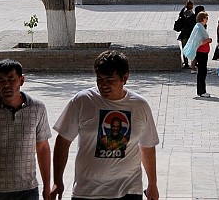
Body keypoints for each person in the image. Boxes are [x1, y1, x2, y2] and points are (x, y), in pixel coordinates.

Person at [51, 50, 159, 200]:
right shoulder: (82, 101)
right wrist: (57, 180)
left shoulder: (140, 106)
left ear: (125, 77)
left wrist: (152, 184)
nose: (103, 85)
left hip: (129, 190)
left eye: (110, 80)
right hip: (87, 191)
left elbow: (147, 146)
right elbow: (63, 141)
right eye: (99, 79)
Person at [0, 58, 52, 200]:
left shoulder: (37, 109)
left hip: (27, 188)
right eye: (1, 80)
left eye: (11, 79)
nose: (6, 85)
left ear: (21, 80)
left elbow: (43, 148)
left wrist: (47, 185)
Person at [182, 10, 212, 97]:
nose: (207, 20)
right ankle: (202, 91)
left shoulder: (199, 26)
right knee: (202, 72)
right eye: (206, 18)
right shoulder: (199, 28)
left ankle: (201, 90)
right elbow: (199, 41)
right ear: (203, 18)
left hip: (203, 52)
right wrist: (208, 40)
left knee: (202, 71)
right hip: (201, 52)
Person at [175, 1, 196, 68]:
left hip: (183, 34)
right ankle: (193, 63)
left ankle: (186, 63)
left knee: (184, 48)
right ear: (192, 6)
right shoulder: (193, 15)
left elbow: (180, 15)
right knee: (192, 49)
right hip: (190, 34)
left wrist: (184, 7)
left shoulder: (182, 14)